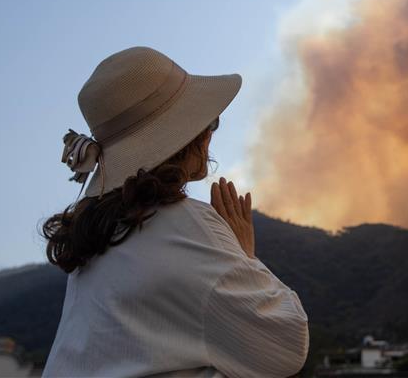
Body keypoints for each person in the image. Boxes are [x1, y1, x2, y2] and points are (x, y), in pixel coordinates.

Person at [41, 46, 308, 378]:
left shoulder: (93, 241)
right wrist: (245, 256)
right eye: (210, 121)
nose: (211, 133)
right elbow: (285, 347)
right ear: (189, 137)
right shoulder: (187, 224)